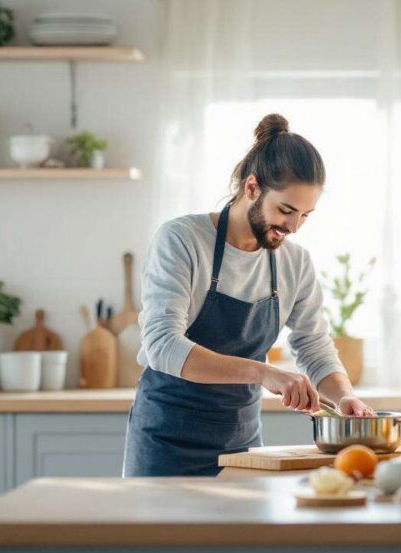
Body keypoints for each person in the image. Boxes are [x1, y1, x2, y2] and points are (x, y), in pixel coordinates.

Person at [123, 113, 373, 477]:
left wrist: (344, 395)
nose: (293, 227)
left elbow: (314, 347)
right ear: (252, 187)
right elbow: (162, 345)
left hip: (242, 445)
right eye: (286, 210)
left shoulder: (294, 263)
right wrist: (263, 373)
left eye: (305, 215)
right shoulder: (182, 240)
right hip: (166, 441)